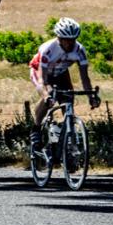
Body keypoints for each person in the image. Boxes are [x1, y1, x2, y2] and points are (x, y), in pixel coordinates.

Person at [28, 17, 100, 147]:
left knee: (68, 98)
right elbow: (41, 80)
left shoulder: (80, 50)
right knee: (48, 95)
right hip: (40, 72)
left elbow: (85, 77)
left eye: (73, 40)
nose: (70, 44)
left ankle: (67, 132)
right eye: (66, 40)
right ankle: (36, 128)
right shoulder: (48, 49)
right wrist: (46, 95)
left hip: (60, 73)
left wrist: (91, 96)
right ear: (59, 38)